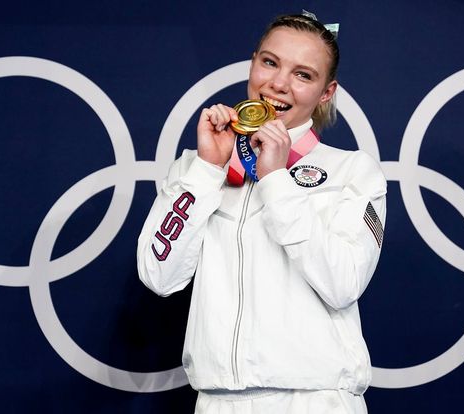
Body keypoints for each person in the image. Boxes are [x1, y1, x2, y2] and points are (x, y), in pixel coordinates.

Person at [137, 12, 387, 413]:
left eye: (303, 75)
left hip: (314, 401)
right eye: (269, 62)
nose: (278, 84)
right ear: (253, 62)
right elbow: (157, 274)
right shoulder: (197, 165)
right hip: (217, 401)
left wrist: (275, 179)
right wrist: (206, 171)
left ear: (327, 92)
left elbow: (343, 282)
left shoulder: (352, 171)